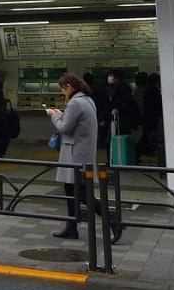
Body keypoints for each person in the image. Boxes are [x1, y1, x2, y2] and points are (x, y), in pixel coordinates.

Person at [45, 74, 122, 242]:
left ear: (68, 86)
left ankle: (114, 222)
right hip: (83, 152)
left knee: (82, 194)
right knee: (71, 191)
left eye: (62, 88)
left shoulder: (74, 103)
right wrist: (61, 114)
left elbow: (65, 129)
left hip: (74, 154)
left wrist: (53, 115)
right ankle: (71, 227)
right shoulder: (87, 100)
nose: (62, 91)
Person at [108, 70, 140, 137]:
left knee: (123, 134)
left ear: (117, 78)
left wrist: (118, 109)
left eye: (112, 76)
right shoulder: (115, 86)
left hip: (123, 116)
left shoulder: (123, 87)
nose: (110, 77)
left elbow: (126, 101)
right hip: (119, 116)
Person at [139, 73, 164, 158]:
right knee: (148, 136)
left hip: (148, 117)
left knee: (147, 136)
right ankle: (138, 152)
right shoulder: (153, 91)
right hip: (152, 117)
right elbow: (157, 106)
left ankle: (143, 151)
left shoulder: (148, 90)